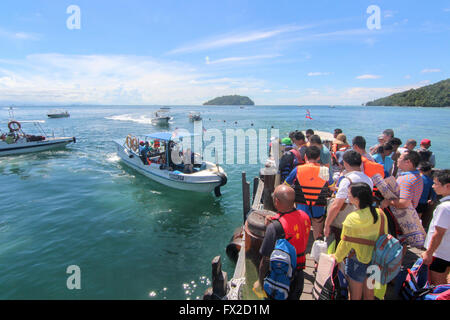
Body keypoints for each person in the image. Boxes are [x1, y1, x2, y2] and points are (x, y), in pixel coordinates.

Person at [331, 183, 387, 300]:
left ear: (357, 199)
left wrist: (336, 259)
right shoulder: (381, 214)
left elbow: (345, 244)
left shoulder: (352, 218)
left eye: (349, 194)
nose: (348, 196)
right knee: (370, 294)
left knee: (354, 295)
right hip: (376, 261)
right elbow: (384, 237)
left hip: (357, 260)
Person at [257, 184, 311, 300]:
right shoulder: (305, 216)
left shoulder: (275, 227)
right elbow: (292, 223)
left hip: (280, 278)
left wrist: (260, 283)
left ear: (276, 201)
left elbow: (265, 259)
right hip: (299, 274)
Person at [284, 146, 333, 240]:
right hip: (318, 206)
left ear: (305, 156)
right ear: (319, 157)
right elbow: (331, 187)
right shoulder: (324, 170)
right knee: (317, 226)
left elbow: (286, 184)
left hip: (301, 206)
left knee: (300, 228)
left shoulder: (298, 169)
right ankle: (316, 243)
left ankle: (300, 245)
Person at [325, 150, 373, 242]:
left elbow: (337, 205)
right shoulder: (368, 180)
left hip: (346, 218)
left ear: (345, 163)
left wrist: (327, 225)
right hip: (362, 218)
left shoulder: (347, 180)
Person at [422, 169, 450, 286]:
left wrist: (429, 253)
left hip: (439, 253)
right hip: (447, 252)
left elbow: (438, 233)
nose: (433, 186)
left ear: (447, 186)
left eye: (436, 184)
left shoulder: (444, 207)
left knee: (437, 286)